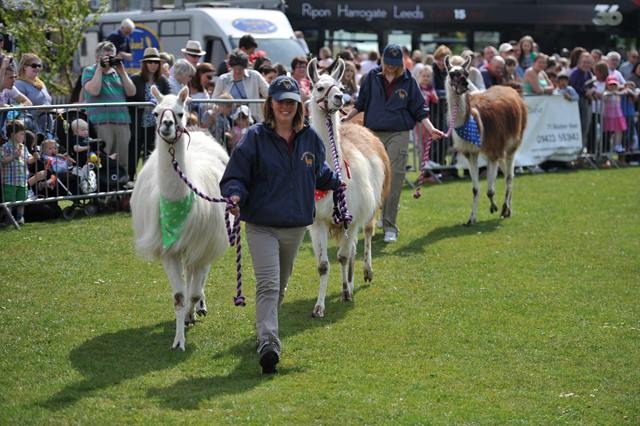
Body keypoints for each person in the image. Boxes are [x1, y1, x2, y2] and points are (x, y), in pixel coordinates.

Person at [219, 75, 342, 374]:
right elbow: (236, 174)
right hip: (261, 224)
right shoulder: (254, 137)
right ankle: (268, 343)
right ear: (270, 104)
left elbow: (318, 168)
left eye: (290, 101)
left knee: (280, 285)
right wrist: (234, 194)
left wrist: (337, 183)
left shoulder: (309, 137)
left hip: (295, 225)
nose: (285, 107)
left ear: (299, 105)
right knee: (269, 283)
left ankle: (265, 330)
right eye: (280, 101)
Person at [342, 43, 445, 243]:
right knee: (372, 179)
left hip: (399, 133)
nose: (390, 67)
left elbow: (419, 109)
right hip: (372, 135)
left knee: (395, 178)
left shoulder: (408, 81)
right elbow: (361, 103)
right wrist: (347, 117)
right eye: (387, 63)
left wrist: (430, 129)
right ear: (382, 60)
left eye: (394, 64)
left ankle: (390, 225)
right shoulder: (371, 77)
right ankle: (374, 218)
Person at [82, 41, 136, 181]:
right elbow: (94, 90)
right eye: (106, 56)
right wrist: (100, 68)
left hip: (122, 122)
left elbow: (132, 92)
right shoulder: (89, 71)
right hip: (101, 123)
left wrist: (122, 71)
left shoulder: (118, 73)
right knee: (104, 159)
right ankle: (104, 190)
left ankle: (121, 188)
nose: (109, 60)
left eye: (111, 56)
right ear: (97, 57)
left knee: (122, 158)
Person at [127, 47, 171, 177]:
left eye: (156, 62)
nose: (153, 64)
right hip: (138, 123)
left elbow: (169, 98)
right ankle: (129, 180)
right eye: (150, 62)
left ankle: (151, 179)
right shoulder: (135, 79)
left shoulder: (162, 80)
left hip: (156, 125)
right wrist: (143, 106)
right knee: (133, 153)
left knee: (152, 153)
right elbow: (129, 99)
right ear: (144, 64)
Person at [211, 49, 269, 122]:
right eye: (235, 68)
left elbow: (268, 93)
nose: (237, 71)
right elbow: (214, 101)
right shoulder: (223, 79)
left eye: (240, 69)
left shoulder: (255, 76)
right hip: (229, 122)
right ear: (231, 67)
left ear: (245, 67)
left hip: (252, 120)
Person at [1, 120, 39, 225]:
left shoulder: (23, 147)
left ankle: (20, 217)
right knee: (10, 201)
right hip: (9, 180)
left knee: (22, 201)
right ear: (13, 134)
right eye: (21, 134)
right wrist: (13, 156)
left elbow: (27, 160)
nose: (23, 136)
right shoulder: (5, 147)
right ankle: (8, 218)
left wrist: (34, 158)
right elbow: (3, 161)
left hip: (22, 180)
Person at [14, 53, 53, 136]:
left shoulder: (41, 83)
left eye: (39, 66)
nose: (37, 68)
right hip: (31, 128)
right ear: (24, 67)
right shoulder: (19, 84)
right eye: (34, 65)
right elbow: (18, 108)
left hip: (47, 125)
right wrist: (38, 110)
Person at [570, 52, 596, 151]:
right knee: (581, 128)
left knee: (586, 128)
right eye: (584, 62)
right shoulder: (575, 73)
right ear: (579, 62)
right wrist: (585, 92)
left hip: (587, 102)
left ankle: (581, 152)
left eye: (588, 62)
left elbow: (592, 85)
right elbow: (573, 87)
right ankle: (577, 153)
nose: (586, 65)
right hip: (579, 103)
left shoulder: (589, 73)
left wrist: (592, 90)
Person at [602, 75, 627, 159]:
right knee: (608, 134)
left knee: (619, 131)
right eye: (610, 85)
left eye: (614, 85)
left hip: (618, 115)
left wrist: (618, 92)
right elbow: (604, 98)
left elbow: (625, 91)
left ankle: (618, 144)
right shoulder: (606, 93)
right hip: (609, 116)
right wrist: (610, 94)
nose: (612, 87)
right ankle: (608, 150)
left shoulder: (618, 93)